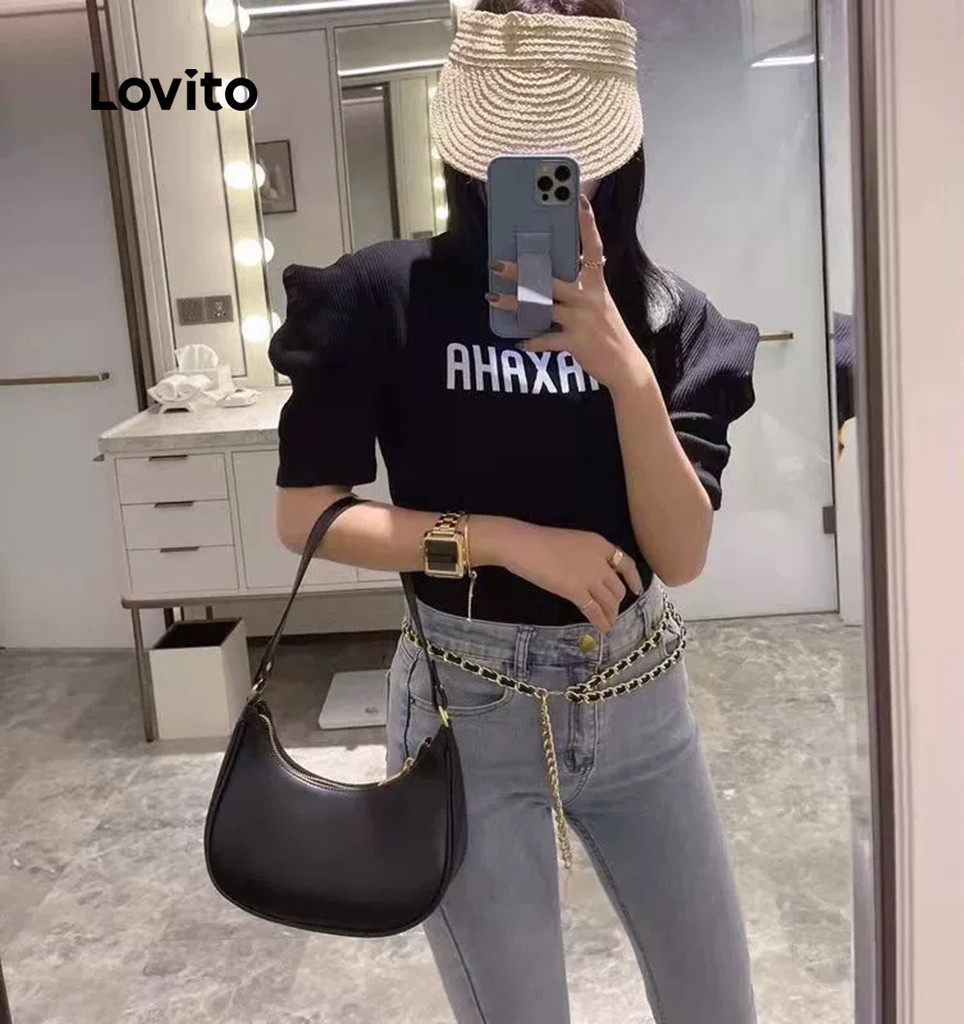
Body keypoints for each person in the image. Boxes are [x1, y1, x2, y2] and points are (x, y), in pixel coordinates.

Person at [270, 2, 758, 1021]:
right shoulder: (382, 297)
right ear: (469, 153)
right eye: (519, 156)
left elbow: (680, 552)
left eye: (571, 159)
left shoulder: (671, 320)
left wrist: (625, 371)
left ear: (614, 160)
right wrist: (502, 542)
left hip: (640, 699)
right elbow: (306, 516)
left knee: (717, 1003)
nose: (548, 183)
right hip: (466, 702)